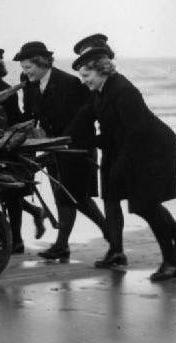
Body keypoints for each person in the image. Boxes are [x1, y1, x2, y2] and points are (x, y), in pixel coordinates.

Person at [71, 36, 176, 281]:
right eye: (81, 76)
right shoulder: (101, 90)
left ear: (100, 70)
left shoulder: (123, 90)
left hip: (156, 151)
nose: (84, 81)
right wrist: (78, 141)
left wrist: (121, 167)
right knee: (142, 205)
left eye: (86, 75)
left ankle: (172, 262)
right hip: (138, 148)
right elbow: (111, 131)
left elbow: (136, 133)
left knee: (146, 205)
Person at [14, 41, 109, 261]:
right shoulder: (29, 82)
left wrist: (66, 138)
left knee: (79, 198)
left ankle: (110, 236)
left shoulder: (69, 82)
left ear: (42, 63)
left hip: (77, 146)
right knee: (62, 197)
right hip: (51, 147)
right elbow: (29, 114)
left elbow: (86, 114)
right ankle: (62, 245)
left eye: (28, 67)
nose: (25, 72)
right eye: (23, 68)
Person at [0, 49, 46, 253]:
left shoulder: (6, 91)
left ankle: (16, 241)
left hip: (7, 146)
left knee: (11, 196)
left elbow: (10, 120)